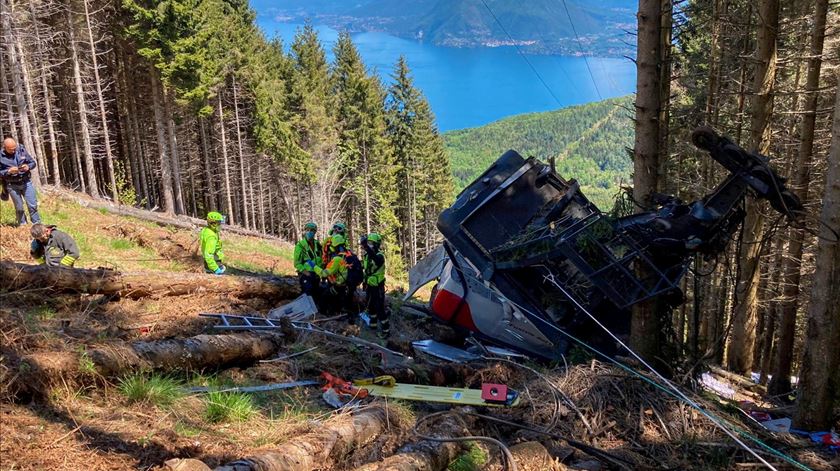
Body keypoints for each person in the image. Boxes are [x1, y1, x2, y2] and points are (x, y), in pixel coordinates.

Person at [315, 233, 362, 323]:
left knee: (324, 297)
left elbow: (324, 273)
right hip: (349, 286)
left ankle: (324, 316)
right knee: (345, 302)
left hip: (340, 286)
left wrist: (314, 266)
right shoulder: (350, 256)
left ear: (334, 246)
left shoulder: (337, 259)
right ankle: (346, 316)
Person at [0, 137, 41, 226]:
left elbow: (33, 163)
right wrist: (8, 171)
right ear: (5, 148)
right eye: (11, 150)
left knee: (32, 205)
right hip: (12, 185)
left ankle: (37, 224)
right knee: (19, 208)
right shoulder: (0, 156)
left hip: (26, 182)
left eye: (14, 148)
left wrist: (28, 167)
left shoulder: (21, 150)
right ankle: (23, 225)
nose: (13, 151)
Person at [361, 233, 388, 338]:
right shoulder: (367, 256)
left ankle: (386, 330)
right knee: (370, 307)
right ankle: (373, 327)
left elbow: (376, 260)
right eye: (368, 243)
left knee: (379, 308)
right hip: (369, 285)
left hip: (378, 287)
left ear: (376, 244)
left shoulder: (380, 256)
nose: (369, 245)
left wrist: (366, 247)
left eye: (371, 243)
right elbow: (365, 267)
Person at [294, 221, 323, 300]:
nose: (310, 232)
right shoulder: (300, 245)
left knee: (316, 294)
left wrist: (321, 272)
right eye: (308, 230)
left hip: (317, 274)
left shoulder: (317, 244)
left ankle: (316, 311)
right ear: (305, 231)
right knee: (307, 292)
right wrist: (305, 272)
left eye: (312, 230)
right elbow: (297, 263)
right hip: (306, 274)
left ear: (315, 232)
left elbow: (321, 258)